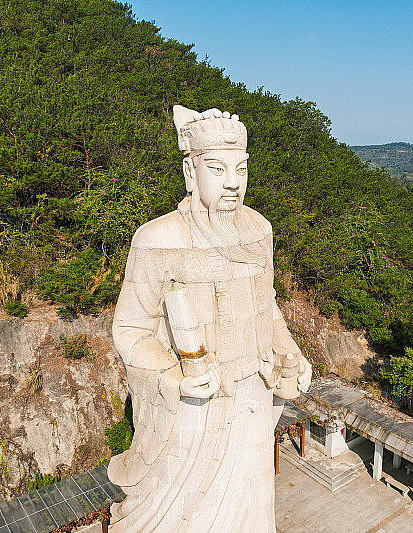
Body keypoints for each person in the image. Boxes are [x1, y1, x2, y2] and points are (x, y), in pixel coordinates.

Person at [107, 105, 312, 532]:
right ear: (190, 171)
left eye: (241, 168)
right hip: (191, 410)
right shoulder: (157, 239)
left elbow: (267, 303)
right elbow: (130, 328)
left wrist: (290, 352)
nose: (233, 182)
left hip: (253, 398)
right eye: (217, 169)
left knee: (252, 514)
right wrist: (173, 376)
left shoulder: (260, 229)